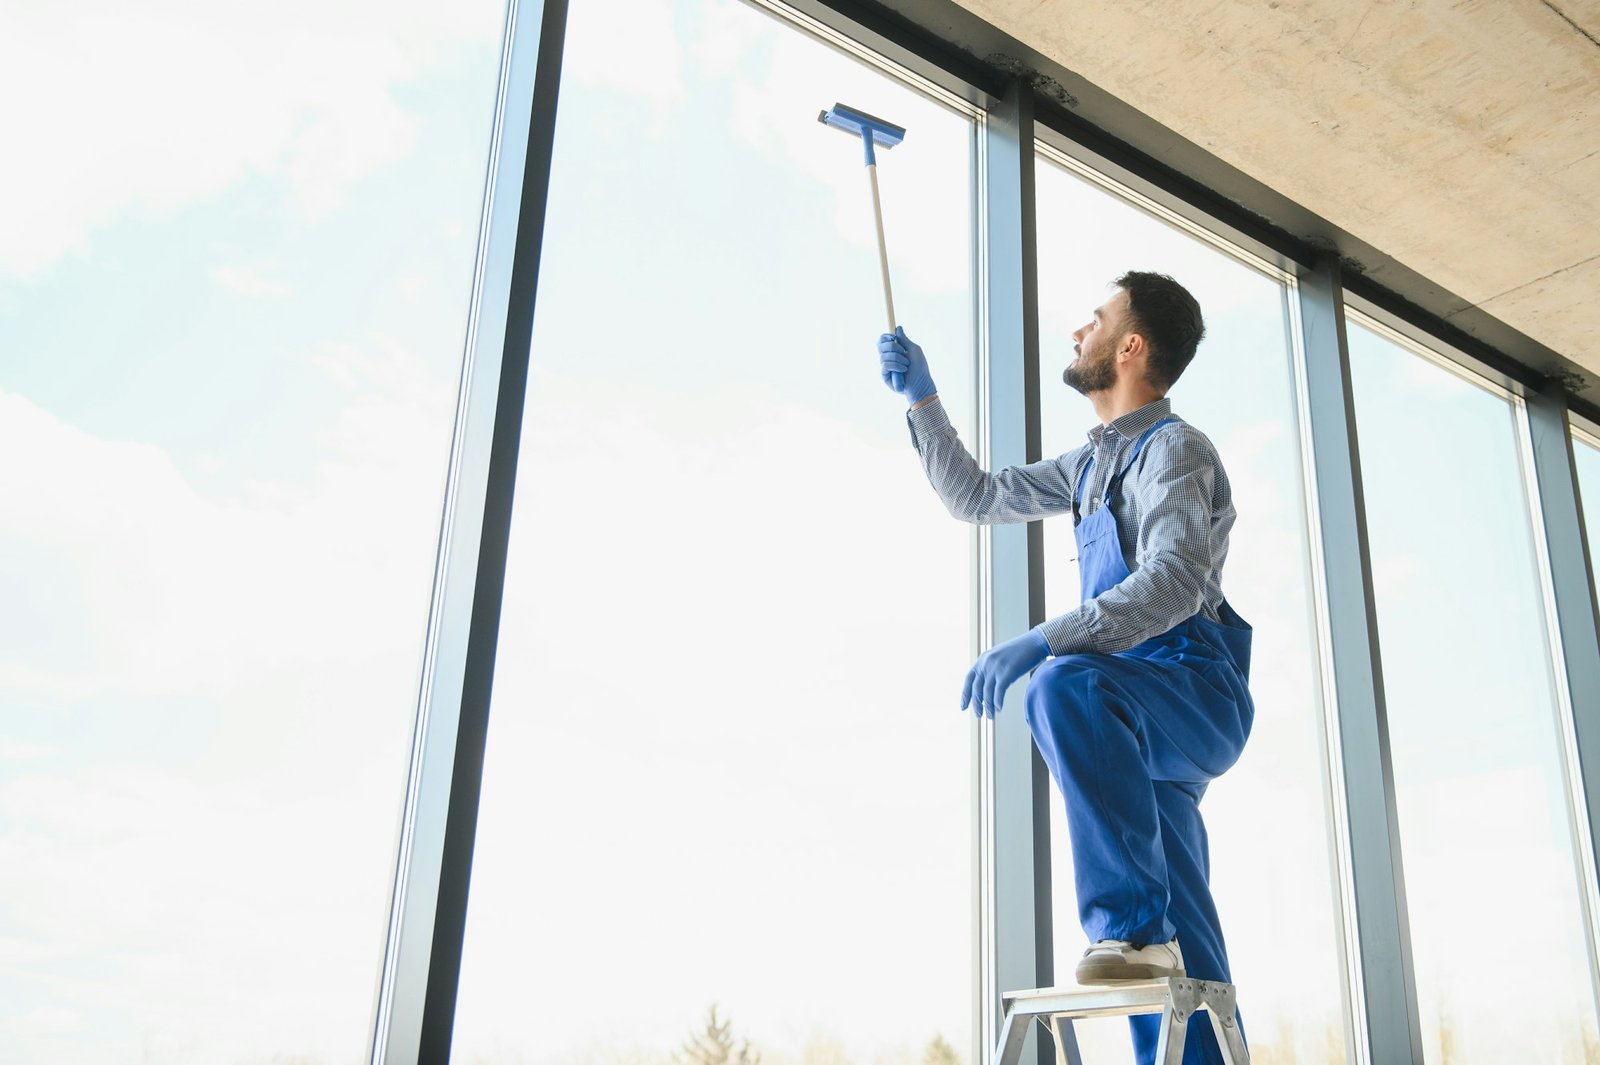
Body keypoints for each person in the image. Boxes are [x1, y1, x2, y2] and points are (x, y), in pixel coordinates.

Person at [878, 272, 1252, 1065]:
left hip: (1189, 686)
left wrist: (1041, 641)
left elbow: (1175, 580)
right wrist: (923, 398)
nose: (1076, 331)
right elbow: (977, 496)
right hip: (1132, 714)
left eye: (1095, 318)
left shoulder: (1173, 450)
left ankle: (1127, 927)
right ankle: (1171, 982)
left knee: (1064, 683)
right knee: (1189, 944)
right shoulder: (1086, 471)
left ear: (1130, 345)